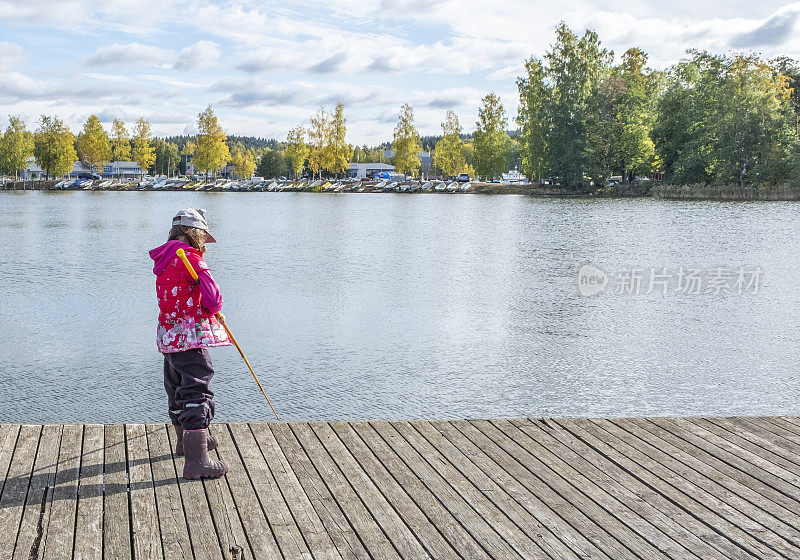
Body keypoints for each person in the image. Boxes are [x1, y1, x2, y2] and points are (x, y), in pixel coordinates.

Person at [149, 208, 231, 479]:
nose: (203, 244)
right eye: (202, 237)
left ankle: (186, 442)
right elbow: (214, 299)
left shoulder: (164, 258)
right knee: (197, 392)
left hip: (169, 334)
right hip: (190, 335)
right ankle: (197, 463)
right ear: (194, 234)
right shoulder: (191, 259)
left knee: (176, 387)